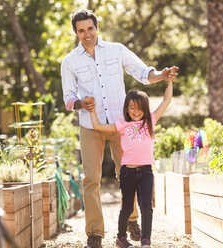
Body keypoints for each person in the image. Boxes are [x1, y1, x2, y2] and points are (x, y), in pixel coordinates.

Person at [60, 9, 178, 248]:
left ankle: (132, 221)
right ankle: (94, 233)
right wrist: (82, 103)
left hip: (121, 124)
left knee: (127, 175)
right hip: (90, 126)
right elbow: (69, 97)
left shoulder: (116, 50)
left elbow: (144, 73)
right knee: (91, 179)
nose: (86, 34)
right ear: (75, 32)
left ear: (96, 27)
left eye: (90, 28)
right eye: (81, 30)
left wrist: (162, 75)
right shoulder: (70, 61)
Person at [88, 68, 178, 247]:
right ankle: (121, 238)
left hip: (146, 172)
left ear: (145, 109)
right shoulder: (122, 125)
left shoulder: (150, 121)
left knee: (147, 207)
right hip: (127, 173)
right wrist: (91, 110)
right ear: (127, 110)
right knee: (127, 208)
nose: (136, 111)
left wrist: (169, 81)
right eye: (132, 108)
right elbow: (98, 126)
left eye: (139, 108)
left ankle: (146, 240)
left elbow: (166, 100)